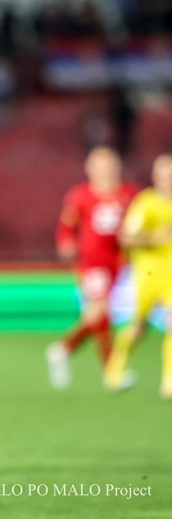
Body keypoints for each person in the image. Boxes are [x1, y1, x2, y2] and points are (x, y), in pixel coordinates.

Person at [46, 146, 139, 389]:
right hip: (92, 262)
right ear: (89, 169)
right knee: (101, 312)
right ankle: (112, 373)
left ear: (117, 166)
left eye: (108, 164)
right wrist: (66, 243)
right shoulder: (81, 196)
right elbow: (67, 226)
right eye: (99, 165)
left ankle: (62, 350)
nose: (104, 170)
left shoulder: (129, 194)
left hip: (118, 262)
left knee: (95, 316)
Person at [104, 153, 172, 398]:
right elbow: (126, 237)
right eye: (164, 175)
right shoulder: (146, 203)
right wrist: (154, 237)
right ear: (155, 177)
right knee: (138, 328)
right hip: (148, 274)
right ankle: (115, 370)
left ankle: (169, 381)